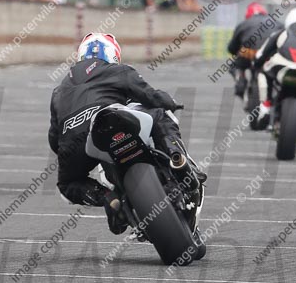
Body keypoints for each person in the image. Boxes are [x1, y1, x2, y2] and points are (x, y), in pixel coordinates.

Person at [49, 32, 205, 235]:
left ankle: (109, 198)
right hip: (110, 120)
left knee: (67, 185)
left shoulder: (59, 90)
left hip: (74, 142)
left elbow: (54, 139)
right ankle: (176, 158)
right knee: (159, 114)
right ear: (113, 55)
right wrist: (171, 103)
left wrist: (67, 150)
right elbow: (151, 96)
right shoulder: (117, 70)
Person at [226, 2, 279, 98]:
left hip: (250, 53)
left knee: (235, 64)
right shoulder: (276, 22)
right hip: (270, 54)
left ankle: (240, 78)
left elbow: (232, 48)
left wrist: (237, 53)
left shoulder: (243, 24)